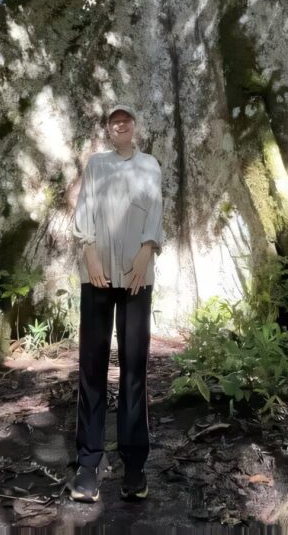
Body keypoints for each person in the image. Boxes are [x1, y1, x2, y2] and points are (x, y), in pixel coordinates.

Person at [69, 103, 164, 504]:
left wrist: (146, 253)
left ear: (135, 125)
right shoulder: (97, 165)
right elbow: (85, 210)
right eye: (114, 121)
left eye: (125, 119)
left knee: (134, 367)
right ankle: (88, 463)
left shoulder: (150, 165)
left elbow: (155, 211)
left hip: (137, 278)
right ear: (108, 129)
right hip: (97, 276)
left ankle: (134, 465)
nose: (120, 124)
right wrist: (90, 255)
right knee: (92, 366)